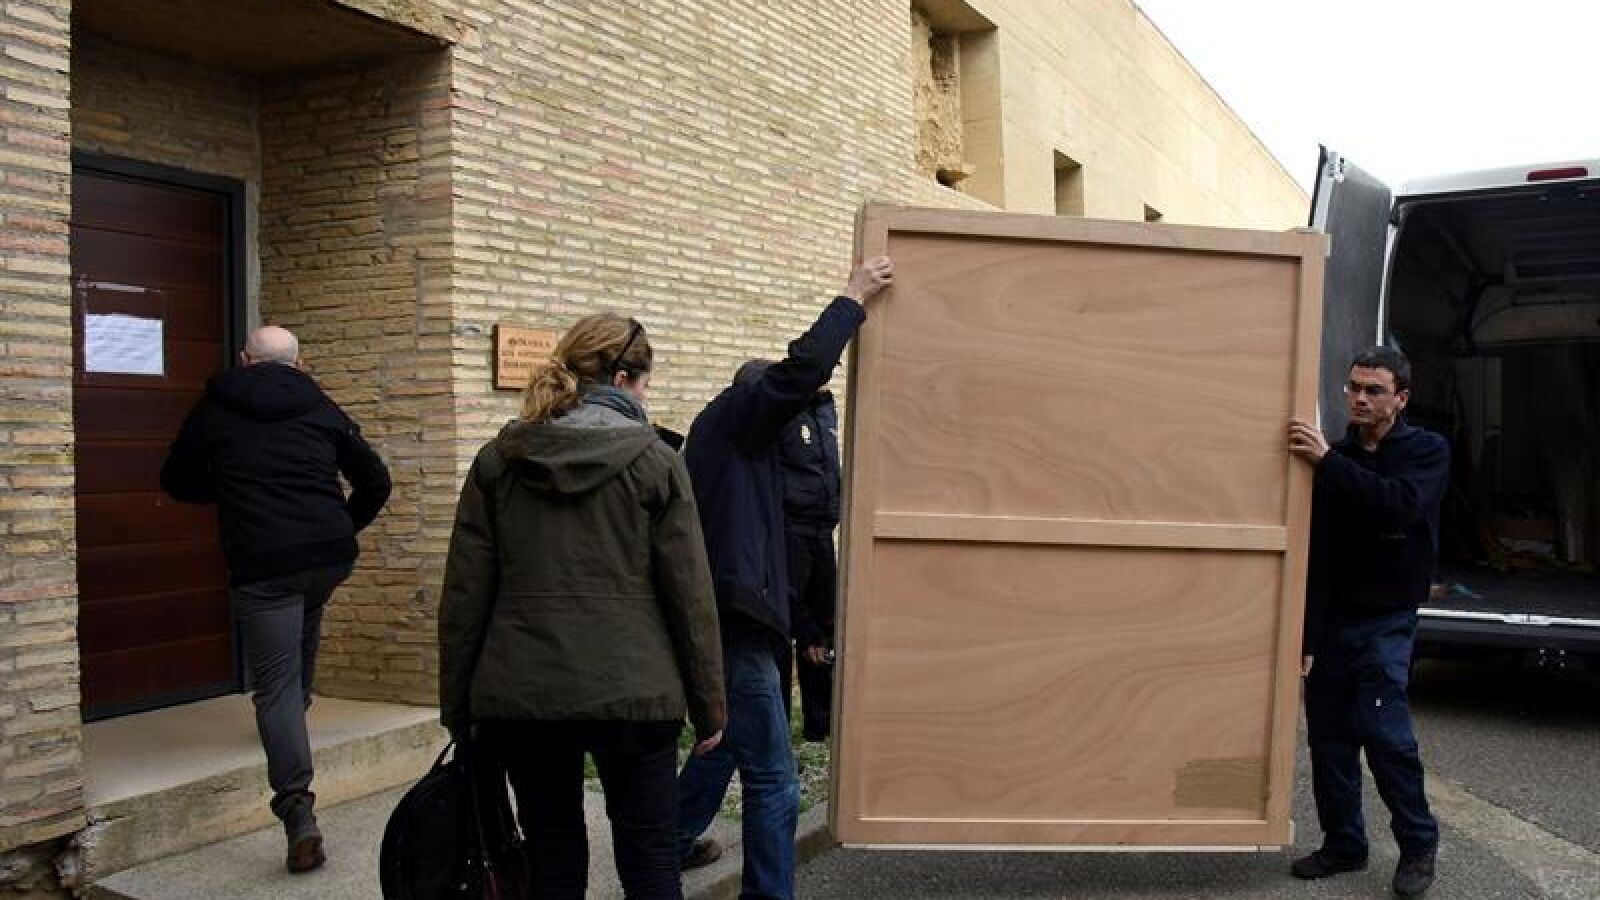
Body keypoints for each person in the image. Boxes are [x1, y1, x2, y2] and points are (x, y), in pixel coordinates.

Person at [437, 313, 726, 899]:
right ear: (623, 380)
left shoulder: (499, 462)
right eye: (645, 383)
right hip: (636, 692)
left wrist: (459, 704)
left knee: (551, 856)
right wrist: (709, 707)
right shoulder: (656, 462)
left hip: (525, 692)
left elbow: (465, 595)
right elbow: (689, 595)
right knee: (650, 859)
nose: (647, 396)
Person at [675, 256, 894, 900]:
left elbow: (791, 548)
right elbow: (803, 368)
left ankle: (665, 840)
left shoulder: (745, 461)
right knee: (775, 779)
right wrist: (852, 298)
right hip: (736, 623)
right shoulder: (735, 422)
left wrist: (809, 627)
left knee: (727, 743)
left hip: (744, 618)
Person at [160, 325, 391, 874]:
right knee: (304, 624)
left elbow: (177, 480)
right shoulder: (321, 406)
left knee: (276, 686)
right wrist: (343, 526)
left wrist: (233, 488)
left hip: (265, 561)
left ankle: (296, 809)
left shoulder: (215, 410)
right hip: (327, 556)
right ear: (297, 362)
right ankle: (295, 717)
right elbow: (376, 481)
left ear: (245, 359)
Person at [1288, 346, 1449, 899]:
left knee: (1385, 736)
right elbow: (1322, 556)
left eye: (1373, 390)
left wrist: (1328, 465)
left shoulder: (1426, 451)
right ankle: (1344, 845)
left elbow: (1399, 505)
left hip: (1387, 620)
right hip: (1335, 621)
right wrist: (1308, 635)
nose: (1359, 398)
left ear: (1400, 398)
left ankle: (1418, 845)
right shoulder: (1334, 455)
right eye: (1354, 387)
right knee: (1330, 739)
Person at [776, 388, 842, 743]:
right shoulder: (786, 406)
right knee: (788, 622)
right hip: (792, 530)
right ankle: (778, 726)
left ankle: (820, 725)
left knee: (823, 625)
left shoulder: (826, 410)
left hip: (823, 529)